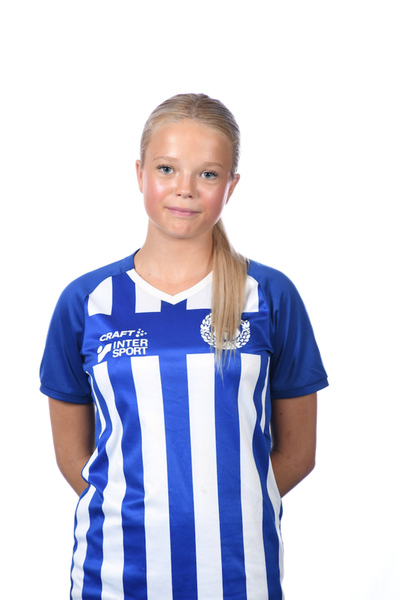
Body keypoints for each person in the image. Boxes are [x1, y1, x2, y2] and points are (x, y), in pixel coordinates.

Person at [40, 93, 328, 600]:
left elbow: (299, 454)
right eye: (167, 168)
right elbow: (72, 458)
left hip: (239, 571)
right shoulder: (87, 301)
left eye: (208, 174)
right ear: (139, 174)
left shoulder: (268, 296)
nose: (185, 189)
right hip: (115, 571)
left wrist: (227, 511)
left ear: (231, 186)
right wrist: (141, 515)